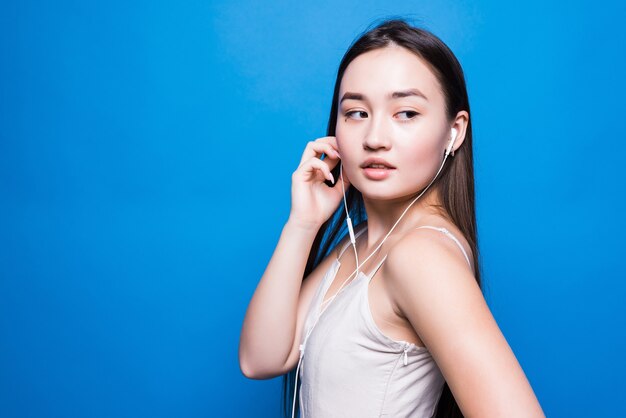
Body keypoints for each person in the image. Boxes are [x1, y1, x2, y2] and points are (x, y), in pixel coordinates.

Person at [239, 18, 545, 418]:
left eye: (405, 113)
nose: (375, 137)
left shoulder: (422, 256)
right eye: (356, 112)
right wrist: (303, 223)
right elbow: (260, 358)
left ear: (454, 132)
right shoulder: (362, 240)